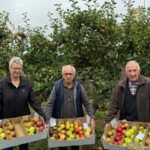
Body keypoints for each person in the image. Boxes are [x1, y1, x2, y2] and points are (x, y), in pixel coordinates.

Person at [0, 57, 46, 150]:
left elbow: (33, 101)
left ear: (21, 69)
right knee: (7, 148)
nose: (17, 71)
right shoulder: (2, 84)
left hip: (24, 122)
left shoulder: (26, 83)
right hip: (7, 123)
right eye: (14, 68)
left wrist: (43, 116)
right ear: (10, 68)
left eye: (19, 68)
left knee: (24, 147)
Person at [45, 64, 95, 150]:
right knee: (62, 145)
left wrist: (92, 117)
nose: (68, 76)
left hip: (76, 122)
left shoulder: (79, 87)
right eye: (66, 74)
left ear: (74, 75)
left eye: (70, 74)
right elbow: (50, 103)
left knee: (75, 145)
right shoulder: (57, 86)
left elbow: (87, 103)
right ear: (62, 74)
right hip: (60, 122)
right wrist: (47, 120)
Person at [105, 60, 150, 124]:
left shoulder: (148, 84)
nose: (132, 74)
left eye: (134, 70)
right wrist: (108, 122)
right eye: (129, 71)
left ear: (139, 71)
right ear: (126, 72)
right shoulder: (120, 86)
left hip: (144, 125)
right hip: (125, 125)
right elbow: (113, 107)